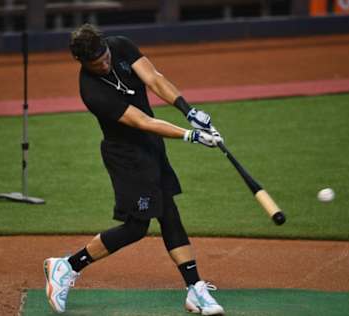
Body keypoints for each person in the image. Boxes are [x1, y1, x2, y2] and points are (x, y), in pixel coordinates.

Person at [43, 23, 224, 315]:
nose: (104, 64)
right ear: (82, 63)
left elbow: (154, 78)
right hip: (126, 155)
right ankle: (66, 266)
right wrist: (190, 135)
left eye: (105, 57)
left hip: (151, 147)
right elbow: (142, 121)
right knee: (137, 227)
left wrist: (188, 110)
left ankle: (195, 289)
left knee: (168, 212)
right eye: (96, 63)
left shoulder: (121, 46)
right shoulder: (91, 91)